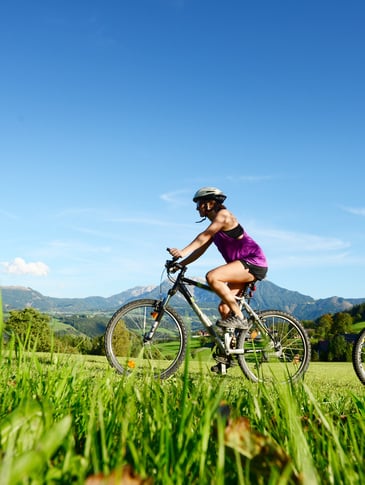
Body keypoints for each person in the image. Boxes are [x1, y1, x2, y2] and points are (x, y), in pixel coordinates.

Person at [168, 186, 268, 330]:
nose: (197, 209)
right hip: (241, 266)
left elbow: (203, 237)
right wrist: (181, 264)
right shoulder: (215, 226)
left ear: (210, 203)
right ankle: (234, 348)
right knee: (224, 309)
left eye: (199, 204)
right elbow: (200, 249)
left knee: (213, 277)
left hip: (253, 262)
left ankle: (240, 318)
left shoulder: (224, 215)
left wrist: (182, 251)